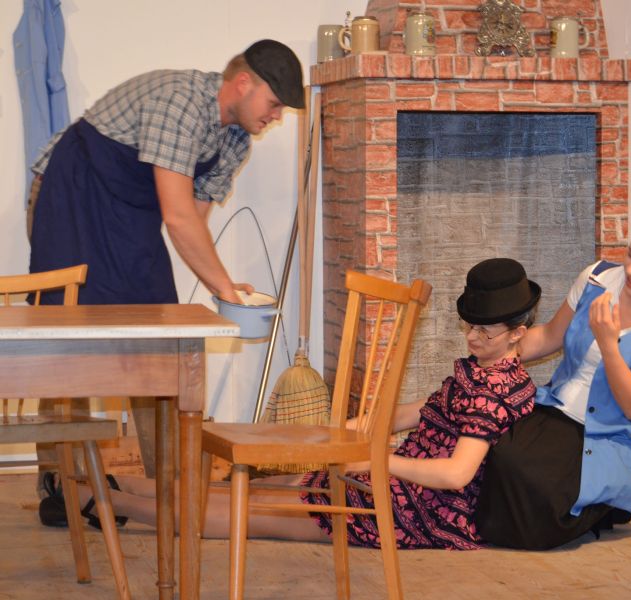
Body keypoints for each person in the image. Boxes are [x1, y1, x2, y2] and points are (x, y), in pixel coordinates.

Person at [64, 258, 540, 549]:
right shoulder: (481, 371)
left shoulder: (492, 391)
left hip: (423, 507)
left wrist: (375, 460)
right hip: (399, 480)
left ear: (518, 333)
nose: (473, 337)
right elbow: (415, 412)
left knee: (254, 513)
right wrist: (344, 430)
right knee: (260, 489)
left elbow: (456, 474)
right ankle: (106, 485)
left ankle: (95, 500)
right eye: (470, 326)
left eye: (485, 331)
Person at [30, 39, 305, 514]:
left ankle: (171, 483)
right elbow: (177, 219)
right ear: (243, 83)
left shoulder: (235, 141)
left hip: (128, 218)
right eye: (275, 103)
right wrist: (222, 285)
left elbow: (192, 221)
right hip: (73, 195)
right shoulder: (180, 101)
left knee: (160, 339)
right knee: (67, 337)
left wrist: (227, 289)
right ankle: (60, 482)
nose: (277, 117)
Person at [475, 214, 631, 549]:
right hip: (558, 407)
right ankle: (610, 498)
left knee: (541, 501)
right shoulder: (597, 278)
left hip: (618, 435)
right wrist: (498, 347)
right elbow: (549, 336)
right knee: (494, 454)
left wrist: (608, 344)